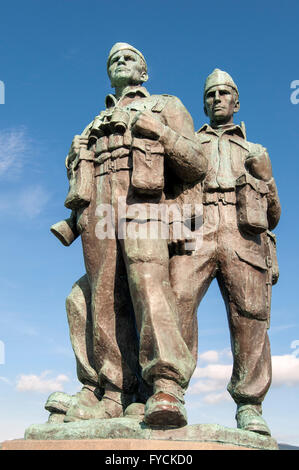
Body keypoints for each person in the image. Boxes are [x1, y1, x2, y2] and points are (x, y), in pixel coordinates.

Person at [47, 42, 207, 426]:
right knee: (100, 297)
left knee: (148, 283)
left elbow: (197, 163)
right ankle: (114, 392)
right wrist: (73, 157)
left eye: (129, 57)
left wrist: (163, 135)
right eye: (113, 59)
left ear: (144, 72)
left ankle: (164, 386)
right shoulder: (93, 121)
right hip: (97, 207)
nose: (120, 61)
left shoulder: (165, 105)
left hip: (144, 203)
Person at [169, 69, 281, 435]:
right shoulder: (190, 143)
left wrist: (264, 178)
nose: (216, 98)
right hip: (196, 229)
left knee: (250, 318)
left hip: (242, 232)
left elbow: (274, 216)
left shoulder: (255, 150)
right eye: (211, 94)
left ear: (236, 101)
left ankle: (250, 406)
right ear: (204, 102)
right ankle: (169, 391)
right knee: (175, 303)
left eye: (224, 93)